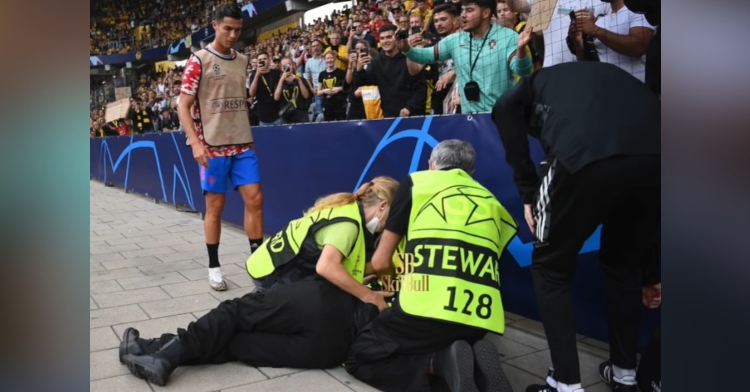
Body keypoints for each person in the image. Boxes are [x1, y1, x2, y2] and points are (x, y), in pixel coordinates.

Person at [119, 177, 399, 387]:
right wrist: (368, 294)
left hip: (286, 280)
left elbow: (329, 265)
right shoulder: (348, 223)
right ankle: (158, 350)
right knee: (236, 333)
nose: (389, 228)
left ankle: (158, 351)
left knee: (235, 320)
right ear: (383, 206)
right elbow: (328, 267)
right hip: (292, 294)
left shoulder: (342, 209)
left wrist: (361, 286)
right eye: (392, 219)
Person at [490, 62, 660, 392]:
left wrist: (528, 192)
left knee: (550, 268)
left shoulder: (531, 85)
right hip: (658, 158)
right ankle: (626, 375)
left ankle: (565, 383)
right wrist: (652, 273)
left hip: (582, 153)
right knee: (623, 267)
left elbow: (503, 107)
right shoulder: (605, 79)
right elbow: (652, 220)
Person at [345, 140, 518, 392]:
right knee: (436, 339)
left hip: (424, 312)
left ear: (431, 165)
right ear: (471, 174)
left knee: (360, 355)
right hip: (479, 321)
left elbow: (382, 261)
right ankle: (472, 363)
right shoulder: (494, 204)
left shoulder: (418, 184)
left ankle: (439, 365)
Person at [177, 4, 264, 291]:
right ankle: (214, 267)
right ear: (215, 26)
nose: (233, 34)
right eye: (228, 28)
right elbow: (184, 106)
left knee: (255, 200)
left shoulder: (243, 60)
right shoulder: (198, 61)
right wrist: (194, 143)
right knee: (215, 208)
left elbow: (239, 99)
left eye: (238, 30)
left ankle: (258, 267)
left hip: (242, 143)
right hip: (211, 147)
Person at [396, 0, 534, 114]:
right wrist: (407, 49)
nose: (463, 15)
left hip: (503, 116)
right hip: (469, 119)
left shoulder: (507, 37)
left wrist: (521, 51)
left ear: (486, 13)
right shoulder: (456, 40)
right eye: (462, 10)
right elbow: (427, 55)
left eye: (469, 10)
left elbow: (522, 71)